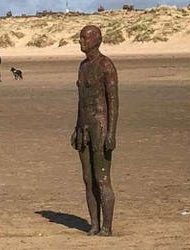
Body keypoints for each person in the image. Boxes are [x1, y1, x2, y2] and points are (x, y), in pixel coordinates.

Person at [71, 25, 119, 237]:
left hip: (101, 127)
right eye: (80, 37)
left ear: (96, 40)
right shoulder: (82, 66)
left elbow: (113, 101)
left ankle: (107, 227)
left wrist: (111, 133)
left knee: (101, 179)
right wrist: (77, 127)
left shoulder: (106, 65)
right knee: (88, 179)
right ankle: (94, 225)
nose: (80, 41)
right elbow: (81, 101)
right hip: (84, 127)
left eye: (84, 38)